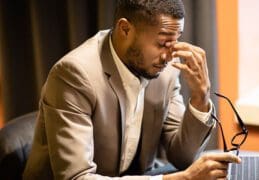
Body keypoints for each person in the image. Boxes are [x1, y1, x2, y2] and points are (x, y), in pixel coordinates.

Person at [24, 0, 241, 179]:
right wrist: (180, 179)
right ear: (125, 29)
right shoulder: (74, 74)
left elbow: (182, 157)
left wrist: (200, 97)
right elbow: (77, 177)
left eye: (176, 41)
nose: (169, 56)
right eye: (162, 43)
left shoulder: (163, 71)